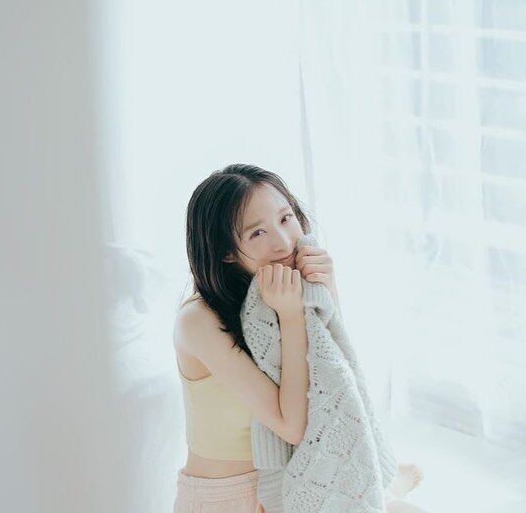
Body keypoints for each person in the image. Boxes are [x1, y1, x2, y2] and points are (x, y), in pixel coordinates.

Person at [172, 164, 422, 512]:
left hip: (297, 473)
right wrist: (291, 316)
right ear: (226, 252)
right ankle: (389, 490)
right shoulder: (197, 321)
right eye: (257, 233)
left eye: (286, 218)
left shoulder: (282, 288)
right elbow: (291, 427)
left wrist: (326, 292)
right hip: (230, 498)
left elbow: (333, 373)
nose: (283, 242)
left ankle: (385, 487)